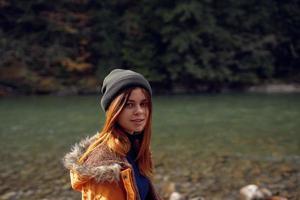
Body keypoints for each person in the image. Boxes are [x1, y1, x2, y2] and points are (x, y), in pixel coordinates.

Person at [63, 69, 161, 200]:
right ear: (114, 110)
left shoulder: (136, 147)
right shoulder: (104, 165)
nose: (139, 111)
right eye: (129, 105)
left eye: (144, 104)